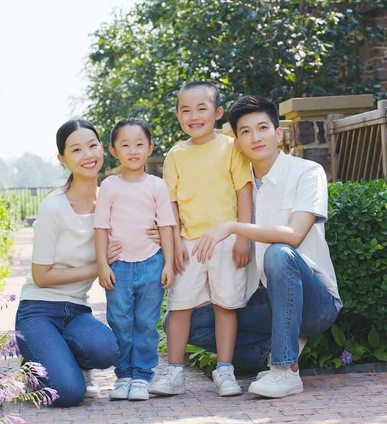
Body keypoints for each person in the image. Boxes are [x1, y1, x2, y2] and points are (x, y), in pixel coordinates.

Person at [188, 96, 342, 398]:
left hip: (315, 302)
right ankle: (276, 350)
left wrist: (233, 227)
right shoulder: (235, 186)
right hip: (263, 299)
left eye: (262, 128)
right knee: (188, 324)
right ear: (236, 142)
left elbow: (295, 235)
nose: (255, 137)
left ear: (278, 133)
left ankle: (285, 370)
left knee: (279, 252)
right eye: (245, 131)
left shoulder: (307, 172)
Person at [15, 120, 158, 407]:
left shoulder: (114, 195)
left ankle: (63, 358)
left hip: (77, 310)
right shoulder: (54, 205)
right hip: (39, 309)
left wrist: (157, 234)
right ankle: (34, 363)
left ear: (103, 149)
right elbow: (41, 276)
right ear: (62, 159)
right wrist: (99, 267)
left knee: (108, 350)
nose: (87, 155)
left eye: (92, 145)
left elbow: (145, 223)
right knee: (68, 393)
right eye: (76, 149)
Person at [149, 81, 253, 398]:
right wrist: (176, 241)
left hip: (226, 239)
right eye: (186, 110)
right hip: (189, 243)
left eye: (201, 109)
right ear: (178, 116)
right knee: (179, 307)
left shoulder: (231, 147)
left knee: (225, 305)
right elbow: (172, 204)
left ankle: (224, 370)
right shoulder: (176, 156)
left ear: (218, 113)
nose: (194, 116)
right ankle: (174, 373)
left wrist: (243, 236)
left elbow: (244, 192)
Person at [93, 118, 176, 401]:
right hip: (119, 266)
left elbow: (166, 225)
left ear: (150, 148)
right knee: (120, 320)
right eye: (125, 145)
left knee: (145, 321)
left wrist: (169, 263)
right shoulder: (109, 186)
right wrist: (103, 264)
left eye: (139, 144)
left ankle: (141, 376)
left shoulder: (157, 185)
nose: (133, 150)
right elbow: (101, 227)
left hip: (152, 261)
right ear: (113, 150)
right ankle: (123, 376)